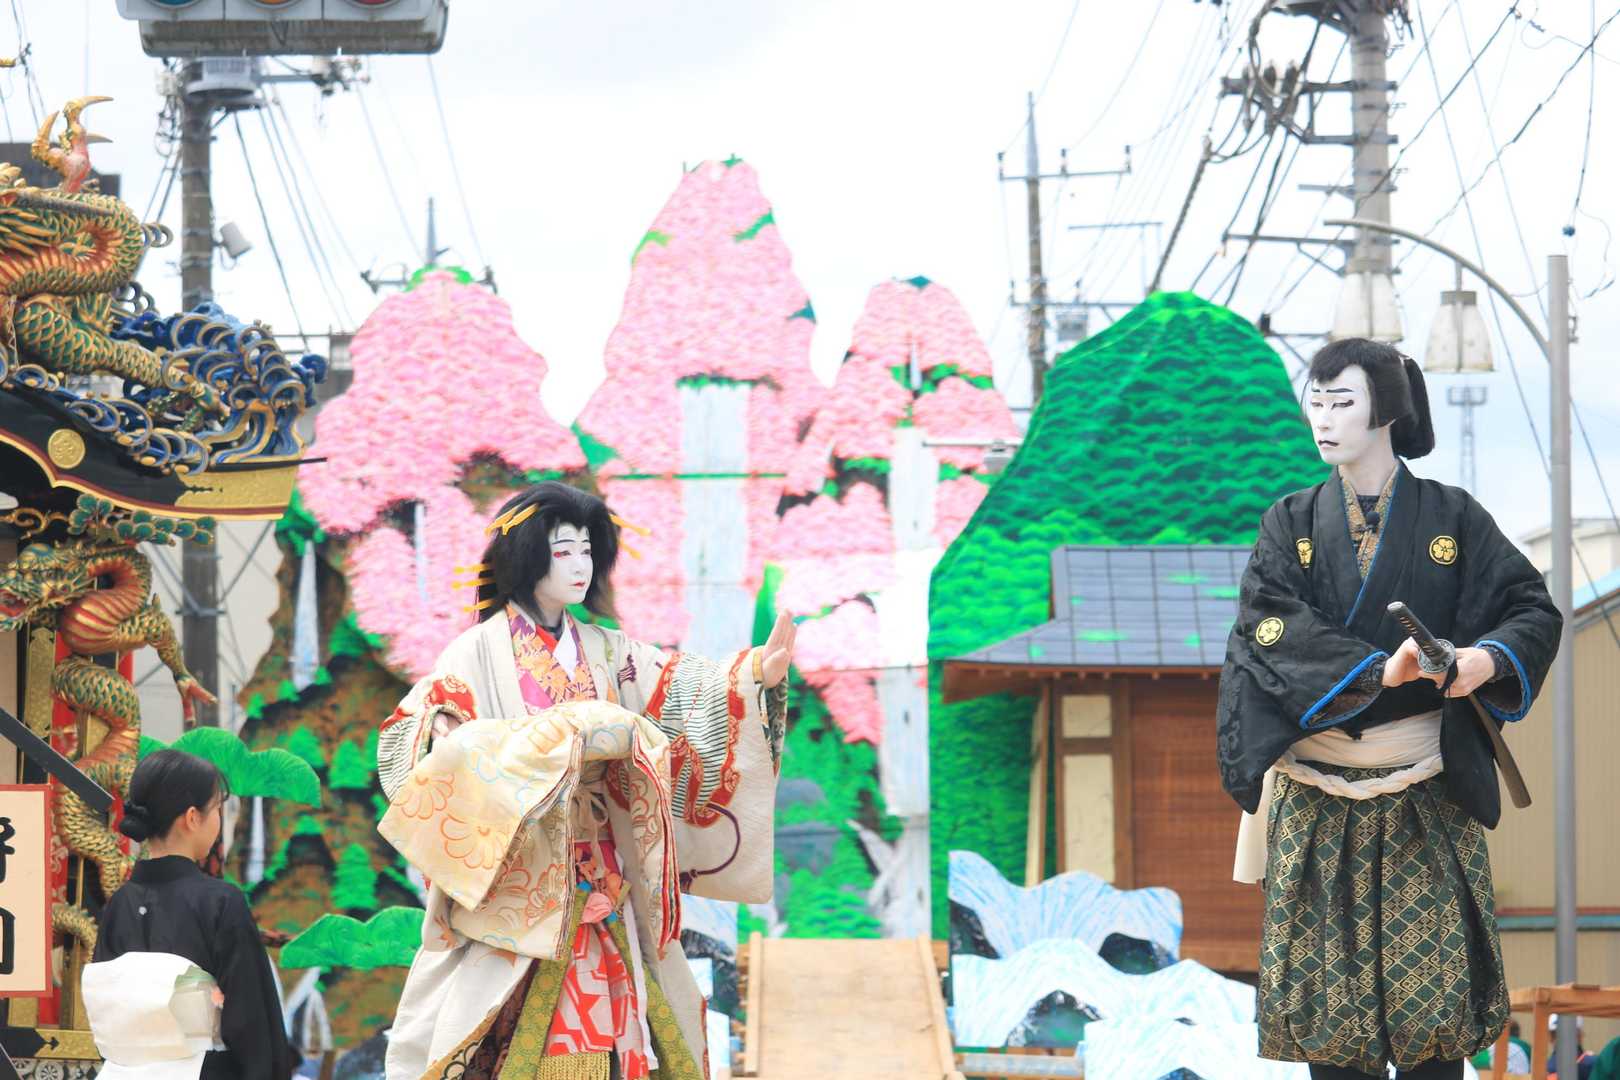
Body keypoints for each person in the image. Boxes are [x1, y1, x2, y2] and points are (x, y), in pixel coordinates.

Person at [1217, 338, 1563, 1080]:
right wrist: (1379, 669)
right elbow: (1265, 627)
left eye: (1342, 402)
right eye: (1315, 401)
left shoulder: (1453, 517)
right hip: (1318, 792)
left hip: (1425, 788)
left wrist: (1483, 660)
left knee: (1432, 1021)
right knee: (1331, 1027)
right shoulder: (1290, 522)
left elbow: (1530, 609)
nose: (1323, 418)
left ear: (1387, 412)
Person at [378, 481, 792, 1079]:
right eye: (563, 550)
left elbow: (680, 688)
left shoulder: (606, 650)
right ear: (527, 557)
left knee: (622, 1016)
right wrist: (450, 734)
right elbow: (417, 736)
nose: (580, 565)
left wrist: (752, 677)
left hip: (604, 868)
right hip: (520, 878)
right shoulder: (475, 652)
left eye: (587, 550)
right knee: (506, 1028)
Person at [85, 749, 297, 1080]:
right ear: (193, 817)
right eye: (217, 809)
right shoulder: (221, 903)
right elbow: (252, 1024)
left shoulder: (118, 905)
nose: (219, 821)